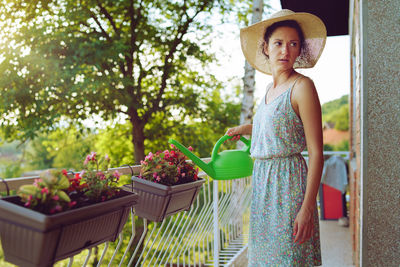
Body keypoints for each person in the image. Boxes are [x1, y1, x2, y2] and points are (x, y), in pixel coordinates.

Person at [226, 9, 327, 266]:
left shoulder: (302, 87)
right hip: (263, 187)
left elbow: (316, 152)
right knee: (264, 259)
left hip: (289, 186)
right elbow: (276, 127)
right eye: (278, 43)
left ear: (299, 49)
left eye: (293, 44)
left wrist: (307, 208)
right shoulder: (269, 90)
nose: (285, 50)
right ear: (266, 48)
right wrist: (245, 129)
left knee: (289, 257)